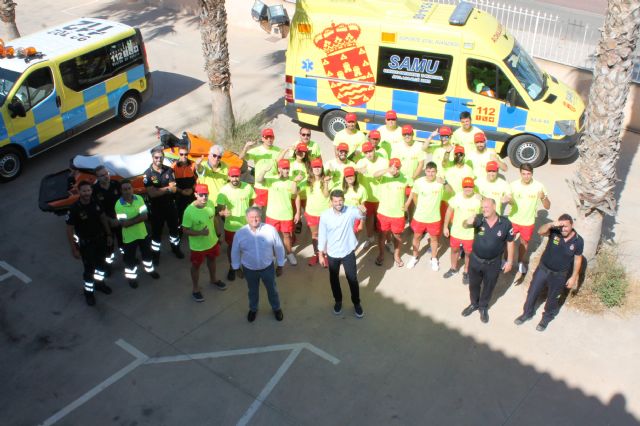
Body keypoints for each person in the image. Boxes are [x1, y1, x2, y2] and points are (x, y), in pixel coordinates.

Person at [514, 214, 583, 331]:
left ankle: (546, 319)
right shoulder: (554, 231)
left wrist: (573, 277)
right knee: (532, 292)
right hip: (543, 269)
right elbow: (540, 232)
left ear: (572, 225)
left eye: (566, 226)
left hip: (559, 275)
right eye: (561, 226)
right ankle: (527, 313)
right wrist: (552, 224)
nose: (563, 229)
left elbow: (577, 259)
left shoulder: (578, 241)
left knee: (553, 298)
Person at [461, 197, 515, 323]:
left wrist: (510, 261)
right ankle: (474, 304)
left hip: (493, 263)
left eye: (486, 207)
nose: (483, 209)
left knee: (489, 286)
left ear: (494, 207)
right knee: (474, 285)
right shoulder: (478, 219)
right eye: (482, 207)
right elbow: (465, 225)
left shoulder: (506, 223)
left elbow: (510, 242)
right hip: (475, 261)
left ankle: (483, 307)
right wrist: (467, 221)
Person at [231, 206, 285, 323]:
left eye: (257, 217)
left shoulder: (270, 230)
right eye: (251, 217)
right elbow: (235, 251)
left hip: (268, 268)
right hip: (249, 269)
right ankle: (253, 309)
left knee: (272, 290)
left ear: (261, 217)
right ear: (246, 218)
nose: (254, 219)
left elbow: (279, 247)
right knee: (252, 291)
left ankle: (276, 308)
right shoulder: (240, 233)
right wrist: (236, 268)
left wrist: (280, 265)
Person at [318, 190, 367, 318]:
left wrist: (363, 211)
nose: (338, 203)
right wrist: (320, 254)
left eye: (340, 201)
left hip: (348, 252)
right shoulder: (325, 215)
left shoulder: (350, 210)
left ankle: (356, 303)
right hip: (332, 253)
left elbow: (361, 216)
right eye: (335, 201)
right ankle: (338, 301)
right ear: (331, 202)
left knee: (352, 279)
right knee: (334, 279)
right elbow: (322, 235)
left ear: (344, 200)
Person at [65, 180, 113, 306]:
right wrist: (74, 249)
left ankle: (100, 284)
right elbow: (69, 229)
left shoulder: (96, 202)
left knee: (101, 266)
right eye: (84, 191)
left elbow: (103, 218)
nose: (86, 193)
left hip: (100, 240)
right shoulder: (74, 208)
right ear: (79, 192)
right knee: (89, 270)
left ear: (91, 191)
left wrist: (108, 234)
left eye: (88, 190)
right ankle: (89, 293)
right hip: (87, 245)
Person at [182, 184, 227, 302]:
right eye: (201, 195)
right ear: (195, 194)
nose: (204, 198)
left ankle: (213, 279)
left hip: (212, 242)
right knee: (196, 266)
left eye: (206, 194)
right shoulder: (189, 211)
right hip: (198, 247)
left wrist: (218, 235)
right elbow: (185, 230)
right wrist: (200, 233)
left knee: (212, 261)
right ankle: (195, 289)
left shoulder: (211, 204)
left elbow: (214, 219)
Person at [115, 179, 160, 288]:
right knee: (130, 260)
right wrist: (138, 218)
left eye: (129, 188)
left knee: (147, 255)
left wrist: (131, 220)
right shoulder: (118, 205)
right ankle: (132, 278)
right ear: (121, 191)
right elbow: (124, 224)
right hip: (129, 238)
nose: (127, 191)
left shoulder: (139, 198)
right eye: (124, 189)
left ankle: (150, 271)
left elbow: (145, 216)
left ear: (132, 189)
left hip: (142, 234)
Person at [143, 146, 184, 265]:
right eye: (156, 157)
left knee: (174, 230)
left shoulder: (169, 170)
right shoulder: (147, 174)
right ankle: (155, 255)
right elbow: (152, 193)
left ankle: (175, 249)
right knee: (156, 234)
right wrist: (167, 189)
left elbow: (174, 189)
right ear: (152, 158)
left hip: (170, 206)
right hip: (156, 209)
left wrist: (160, 190)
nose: (159, 160)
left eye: (161, 157)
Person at [256, 158, 301, 265]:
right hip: (272, 215)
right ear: (279, 169)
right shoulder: (272, 180)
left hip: (286, 214)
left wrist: (298, 212)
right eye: (284, 168)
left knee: (287, 236)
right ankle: (273, 256)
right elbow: (259, 180)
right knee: (271, 236)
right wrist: (264, 170)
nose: (286, 171)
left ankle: (289, 253)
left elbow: (295, 194)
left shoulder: (292, 181)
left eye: (288, 168)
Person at [508, 163, 550, 275]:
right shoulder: (513, 185)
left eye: (529, 174)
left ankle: (520, 262)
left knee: (524, 243)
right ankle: (506, 260)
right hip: (513, 219)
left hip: (528, 222)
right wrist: (508, 200)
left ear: (532, 173)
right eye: (524, 174)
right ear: (520, 173)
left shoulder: (539, 186)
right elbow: (510, 201)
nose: (526, 176)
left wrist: (543, 197)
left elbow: (547, 206)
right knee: (507, 241)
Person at [404, 162, 447, 271]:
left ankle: (433, 258)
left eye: (433, 171)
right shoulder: (419, 182)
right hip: (420, 217)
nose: (430, 174)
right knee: (417, 237)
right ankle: (414, 257)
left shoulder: (440, 183)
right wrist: (412, 205)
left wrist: (445, 183)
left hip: (434, 218)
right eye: (428, 171)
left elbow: (451, 191)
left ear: (436, 172)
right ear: (425, 171)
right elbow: (414, 194)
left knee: (434, 239)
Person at [216, 166, 256, 281]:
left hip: (246, 226)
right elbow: (220, 209)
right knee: (232, 248)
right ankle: (233, 267)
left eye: (237, 176)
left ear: (240, 176)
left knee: (246, 247)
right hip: (231, 226)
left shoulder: (248, 187)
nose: (235, 179)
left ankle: (246, 266)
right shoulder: (223, 191)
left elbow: (252, 202)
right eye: (232, 176)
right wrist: (223, 212)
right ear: (229, 177)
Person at [443, 177, 482, 284]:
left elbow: (489, 208)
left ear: (473, 187)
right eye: (466, 186)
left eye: (470, 186)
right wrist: (445, 226)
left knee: (469, 254)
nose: (468, 188)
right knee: (454, 250)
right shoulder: (457, 197)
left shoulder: (478, 199)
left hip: (470, 234)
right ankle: (453, 268)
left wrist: (483, 198)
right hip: (456, 232)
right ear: (462, 187)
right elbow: (449, 210)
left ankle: (466, 272)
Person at [373, 158, 409, 267]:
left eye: (397, 167)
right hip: (383, 213)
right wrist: (388, 170)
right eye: (393, 167)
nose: (395, 170)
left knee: (397, 236)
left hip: (398, 214)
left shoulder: (405, 178)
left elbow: (412, 192)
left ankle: (397, 255)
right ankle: (381, 254)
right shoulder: (384, 177)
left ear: (400, 167)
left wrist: (407, 204)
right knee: (382, 235)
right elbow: (375, 174)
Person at [355, 141, 388, 248]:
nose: (369, 154)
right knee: (369, 219)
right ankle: (370, 238)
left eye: (370, 151)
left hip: (382, 197)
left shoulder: (383, 161)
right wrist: (358, 170)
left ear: (374, 150)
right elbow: (350, 172)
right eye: (366, 152)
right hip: (367, 197)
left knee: (383, 221)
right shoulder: (360, 162)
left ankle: (387, 241)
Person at [240, 128, 281, 208]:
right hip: (260, 185)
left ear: (274, 138)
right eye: (266, 137)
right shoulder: (256, 150)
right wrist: (246, 147)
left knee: (272, 209)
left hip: (273, 185)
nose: (269, 139)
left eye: (271, 137)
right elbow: (241, 157)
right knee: (257, 210)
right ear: (262, 138)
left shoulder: (278, 150)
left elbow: (281, 166)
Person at [302, 158, 331, 266]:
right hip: (311, 212)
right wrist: (295, 181)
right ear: (311, 169)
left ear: (322, 168)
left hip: (325, 213)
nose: (317, 169)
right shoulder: (307, 181)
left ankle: (326, 255)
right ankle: (316, 254)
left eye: (319, 167)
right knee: (315, 235)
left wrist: (326, 183)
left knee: (326, 235)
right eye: (315, 167)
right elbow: (295, 191)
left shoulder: (327, 179)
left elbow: (326, 195)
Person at [92, 165, 121, 270]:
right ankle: (108, 266)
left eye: (106, 173)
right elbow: (97, 210)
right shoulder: (94, 191)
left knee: (124, 244)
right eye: (102, 175)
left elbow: (123, 203)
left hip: (119, 220)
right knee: (108, 247)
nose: (106, 176)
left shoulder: (116, 184)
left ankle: (128, 259)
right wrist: (110, 221)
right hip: (105, 224)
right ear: (97, 178)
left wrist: (119, 219)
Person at [195, 145, 228, 237]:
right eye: (214, 155)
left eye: (219, 156)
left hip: (223, 201)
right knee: (215, 227)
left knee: (231, 223)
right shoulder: (204, 166)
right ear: (209, 155)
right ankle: (218, 239)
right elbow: (199, 169)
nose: (216, 158)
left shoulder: (225, 166)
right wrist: (197, 164)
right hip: (209, 203)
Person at [393, 125, 426, 202]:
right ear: (402, 135)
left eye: (409, 134)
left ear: (413, 134)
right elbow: (394, 164)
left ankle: (410, 214)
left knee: (412, 204)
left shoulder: (419, 145)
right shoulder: (397, 146)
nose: (407, 136)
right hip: (400, 180)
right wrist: (398, 177)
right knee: (399, 203)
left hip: (413, 181)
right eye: (405, 134)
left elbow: (421, 164)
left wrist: (413, 178)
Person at [172, 144, 197, 226]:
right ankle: (180, 230)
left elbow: (198, 180)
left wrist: (192, 189)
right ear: (178, 154)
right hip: (180, 194)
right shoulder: (173, 166)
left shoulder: (193, 164)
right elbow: (171, 183)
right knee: (180, 214)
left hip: (191, 193)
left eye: (186, 154)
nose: (184, 156)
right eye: (181, 154)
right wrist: (181, 191)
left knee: (195, 212)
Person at [342, 166, 367, 235]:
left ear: (355, 176)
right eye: (347, 176)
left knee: (353, 238)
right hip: (342, 218)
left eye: (351, 175)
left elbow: (363, 209)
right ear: (344, 178)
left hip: (355, 218)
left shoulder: (362, 189)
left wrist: (361, 223)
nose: (350, 178)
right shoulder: (339, 188)